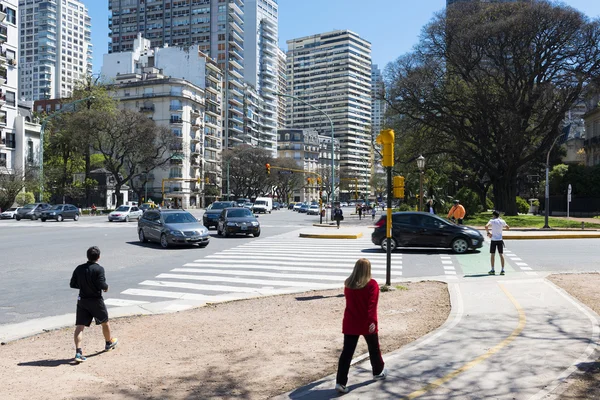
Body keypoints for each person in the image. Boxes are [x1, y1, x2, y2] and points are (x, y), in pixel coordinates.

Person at [335, 258, 386, 394]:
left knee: (347, 353)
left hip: (350, 321)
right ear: (368, 269)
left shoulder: (348, 283)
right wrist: (372, 322)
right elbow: (372, 305)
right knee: (374, 348)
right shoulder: (372, 284)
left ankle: (340, 382)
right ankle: (378, 371)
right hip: (365, 323)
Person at [70, 246, 118, 363]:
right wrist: (106, 287)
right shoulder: (99, 269)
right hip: (96, 300)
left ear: (87, 256)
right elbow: (101, 283)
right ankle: (108, 343)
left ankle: (78, 351)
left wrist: (83, 286)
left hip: (82, 300)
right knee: (104, 322)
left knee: (80, 326)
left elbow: (72, 284)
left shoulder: (79, 268)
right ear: (98, 257)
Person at [485, 211, 510, 275]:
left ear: (494, 215)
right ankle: (502, 270)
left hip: (493, 239)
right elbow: (508, 228)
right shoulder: (502, 221)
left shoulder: (492, 220)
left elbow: (486, 226)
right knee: (501, 254)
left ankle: (493, 269)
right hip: (500, 239)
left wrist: (488, 233)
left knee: (492, 254)